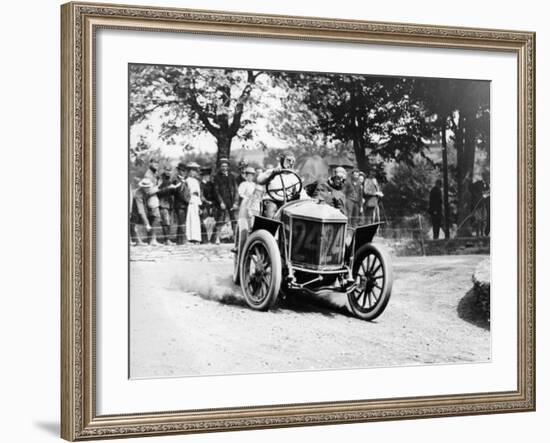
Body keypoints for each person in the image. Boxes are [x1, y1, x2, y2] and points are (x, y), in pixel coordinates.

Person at [257, 153, 305, 218]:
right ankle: (270, 226)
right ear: (282, 161)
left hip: (287, 203)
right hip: (271, 200)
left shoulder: (294, 177)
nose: (291, 163)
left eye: (293, 161)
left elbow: (302, 193)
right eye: (288, 160)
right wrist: (272, 173)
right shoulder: (272, 172)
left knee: (292, 214)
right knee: (271, 210)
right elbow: (259, 180)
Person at [213, 158, 239, 244]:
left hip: (231, 201)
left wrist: (235, 202)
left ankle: (235, 237)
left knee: (234, 220)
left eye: (226, 166)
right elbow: (216, 191)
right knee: (220, 219)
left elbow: (236, 190)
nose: (224, 168)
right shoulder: (217, 177)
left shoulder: (232, 177)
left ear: (228, 167)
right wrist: (221, 202)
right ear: (220, 167)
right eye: (222, 166)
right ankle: (217, 238)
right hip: (222, 201)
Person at [130, 178, 154, 246]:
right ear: (142, 187)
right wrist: (147, 224)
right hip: (132, 209)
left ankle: (136, 241)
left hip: (135, 209)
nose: (147, 188)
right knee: (132, 224)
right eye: (145, 187)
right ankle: (137, 241)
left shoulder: (145, 192)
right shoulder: (138, 194)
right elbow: (141, 210)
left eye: (148, 187)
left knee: (133, 224)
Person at [143, 158, 161, 245]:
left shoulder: (154, 173)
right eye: (155, 163)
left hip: (153, 197)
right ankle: (153, 239)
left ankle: (150, 240)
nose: (156, 165)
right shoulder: (148, 175)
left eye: (158, 163)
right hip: (151, 198)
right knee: (155, 217)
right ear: (150, 163)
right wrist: (159, 186)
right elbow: (148, 191)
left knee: (152, 218)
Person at [157, 165, 176, 245]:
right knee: (166, 222)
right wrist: (168, 188)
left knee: (169, 222)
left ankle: (167, 239)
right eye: (167, 170)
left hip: (169, 203)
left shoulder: (170, 179)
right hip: (162, 203)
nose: (168, 172)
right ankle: (166, 240)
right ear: (164, 170)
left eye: (170, 170)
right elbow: (158, 191)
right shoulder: (160, 179)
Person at [173, 161, 190, 245]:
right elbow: (180, 193)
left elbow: (187, 192)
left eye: (184, 171)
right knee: (182, 222)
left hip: (185, 204)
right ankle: (183, 240)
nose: (183, 172)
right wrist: (188, 201)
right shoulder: (177, 180)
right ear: (178, 171)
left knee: (182, 222)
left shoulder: (184, 180)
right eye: (182, 170)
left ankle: (179, 240)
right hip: (180, 204)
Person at [185, 162, 202, 244]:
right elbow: (187, 192)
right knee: (191, 219)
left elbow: (198, 193)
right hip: (191, 201)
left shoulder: (196, 181)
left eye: (195, 171)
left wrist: (199, 204)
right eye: (192, 171)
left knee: (196, 219)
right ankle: (190, 237)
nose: (194, 173)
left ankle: (196, 237)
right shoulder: (187, 180)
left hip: (195, 201)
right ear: (189, 171)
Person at [200, 166, 216, 243]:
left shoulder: (211, 184)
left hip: (211, 205)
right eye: (206, 176)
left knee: (212, 222)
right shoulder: (201, 185)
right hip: (203, 205)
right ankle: (204, 240)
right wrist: (206, 201)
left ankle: (212, 239)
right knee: (203, 222)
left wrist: (213, 202)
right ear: (203, 176)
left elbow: (214, 194)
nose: (208, 177)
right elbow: (201, 195)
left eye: (209, 176)